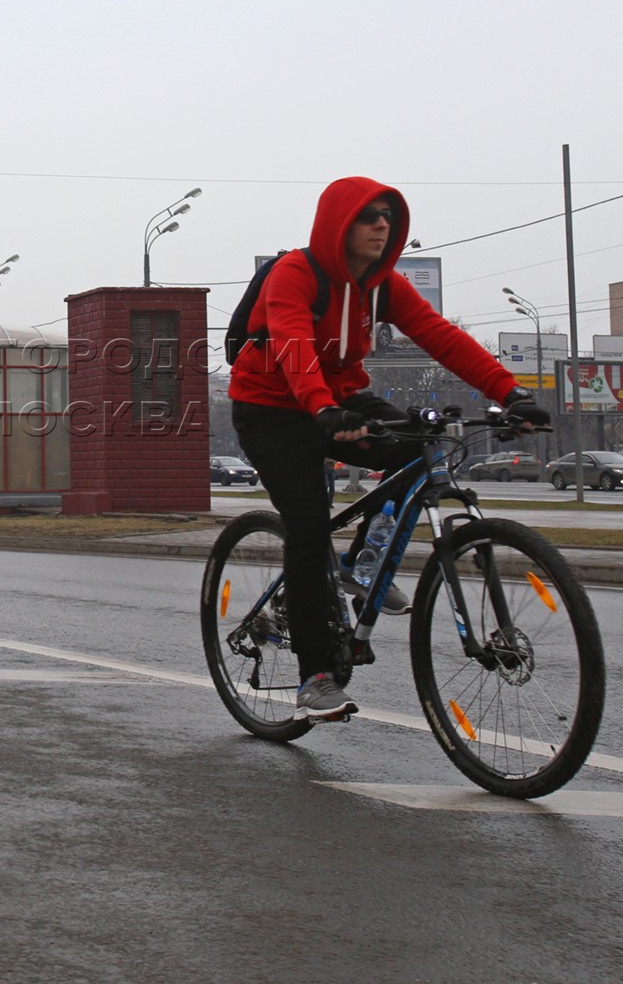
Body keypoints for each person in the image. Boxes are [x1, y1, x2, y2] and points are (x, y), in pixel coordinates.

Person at [228, 175, 552, 723]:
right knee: (307, 526)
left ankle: (359, 563)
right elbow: (291, 341)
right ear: (338, 223)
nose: (382, 224)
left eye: (389, 216)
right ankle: (316, 677)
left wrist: (510, 392)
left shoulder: (383, 285)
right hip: (274, 409)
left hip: (342, 398)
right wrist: (322, 409)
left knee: (417, 450)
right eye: (368, 215)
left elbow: (441, 336)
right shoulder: (296, 273)